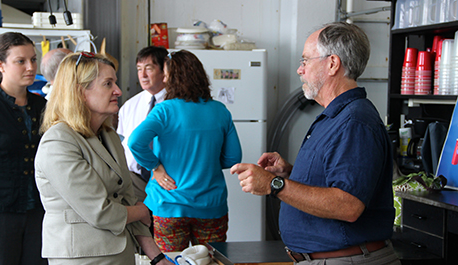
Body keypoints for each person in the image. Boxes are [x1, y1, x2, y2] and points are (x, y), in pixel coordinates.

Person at [230, 22, 401, 264]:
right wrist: (289, 173)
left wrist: (274, 184)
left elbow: (348, 205)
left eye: (305, 61)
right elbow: (333, 181)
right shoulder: (335, 117)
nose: (300, 70)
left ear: (332, 64)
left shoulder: (355, 121)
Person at [34, 52, 172, 265]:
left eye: (115, 82)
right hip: (83, 257)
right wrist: (143, 210)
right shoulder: (58, 142)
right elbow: (101, 212)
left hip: (120, 254)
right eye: (108, 84)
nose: (118, 90)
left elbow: (124, 198)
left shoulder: (109, 136)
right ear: (79, 91)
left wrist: (157, 257)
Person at [128, 50, 242, 252]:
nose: (163, 78)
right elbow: (233, 158)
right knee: (210, 261)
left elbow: (135, 142)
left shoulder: (165, 110)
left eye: (165, 73)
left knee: (171, 261)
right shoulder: (220, 111)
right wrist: (206, 162)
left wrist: (156, 167)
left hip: (169, 205)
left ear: (172, 77)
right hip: (211, 206)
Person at [0, 32, 47, 265]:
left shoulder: (44, 106)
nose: (30, 67)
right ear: (0, 65)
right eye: (21, 61)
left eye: (33, 59)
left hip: (39, 211)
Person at [117, 46, 168, 202]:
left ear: (164, 70)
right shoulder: (130, 105)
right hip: (135, 181)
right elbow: (121, 142)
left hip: (168, 180)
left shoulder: (176, 104)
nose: (143, 75)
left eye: (149, 68)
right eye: (139, 69)